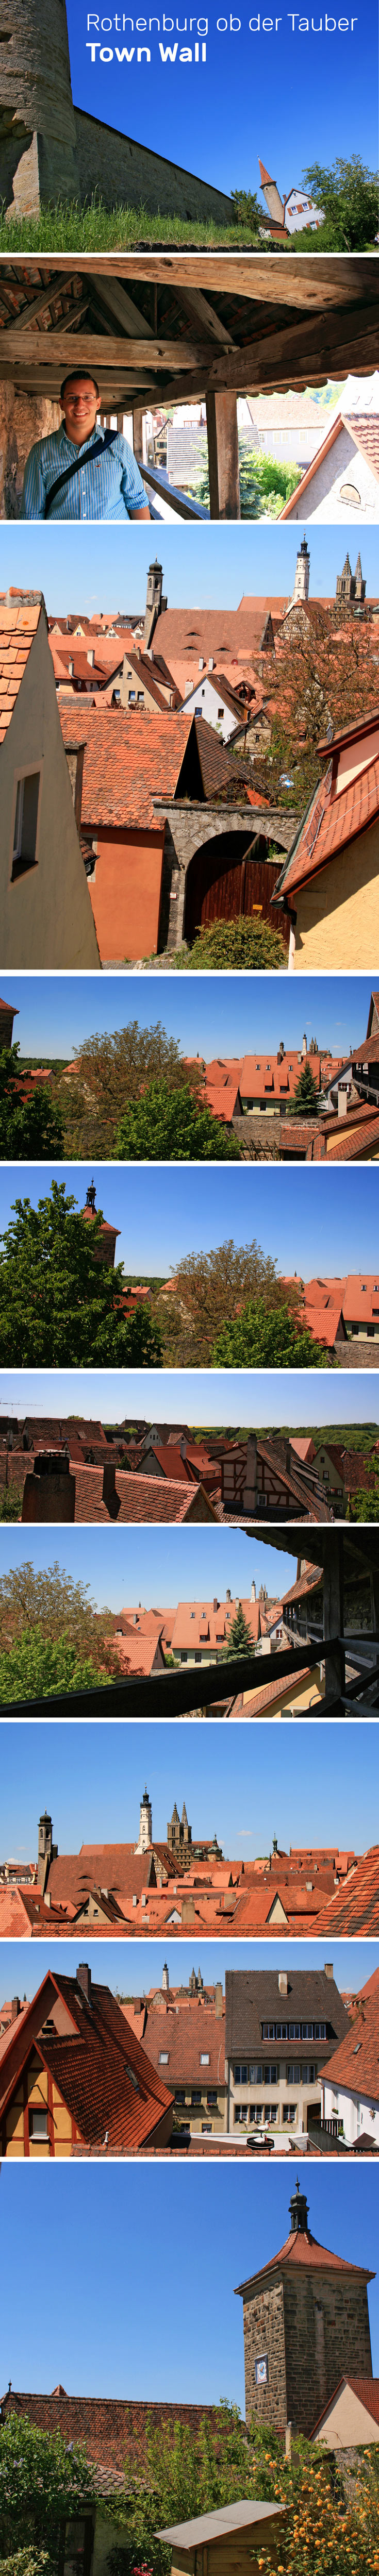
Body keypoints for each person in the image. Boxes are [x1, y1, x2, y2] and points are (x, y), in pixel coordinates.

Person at [22, 372, 151, 521]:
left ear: (98, 403)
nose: (80, 404)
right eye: (72, 398)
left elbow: (136, 500)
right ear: (62, 404)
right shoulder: (41, 453)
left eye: (88, 398)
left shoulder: (118, 444)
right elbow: (32, 514)